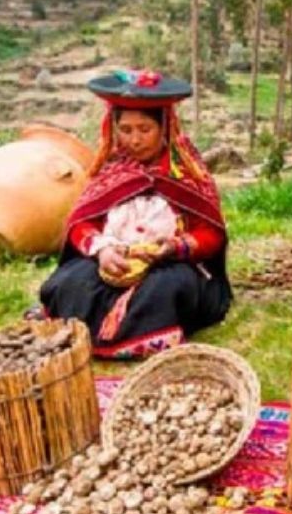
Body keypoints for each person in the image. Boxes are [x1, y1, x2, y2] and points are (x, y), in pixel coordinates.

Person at [35, 69, 231, 359]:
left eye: (145, 129)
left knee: (167, 289)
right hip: (113, 259)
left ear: (165, 127)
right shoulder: (109, 171)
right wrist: (102, 250)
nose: (135, 140)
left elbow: (211, 233)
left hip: (168, 264)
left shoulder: (187, 172)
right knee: (69, 282)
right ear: (113, 129)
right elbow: (82, 224)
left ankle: (139, 338)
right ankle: (84, 333)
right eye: (125, 130)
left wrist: (174, 247)